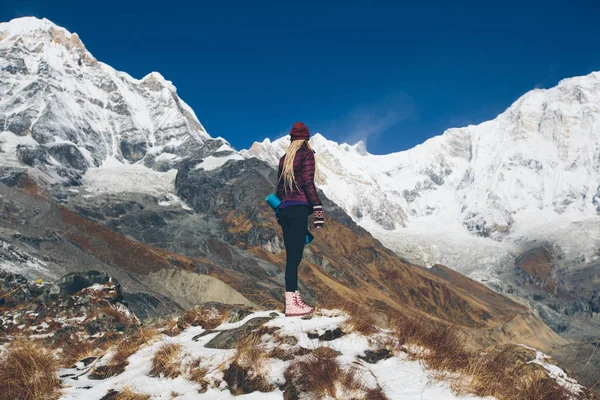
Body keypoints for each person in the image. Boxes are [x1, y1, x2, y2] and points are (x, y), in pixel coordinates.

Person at [276, 122, 325, 317]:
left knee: (291, 257)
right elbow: (307, 182)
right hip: (299, 209)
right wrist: (318, 209)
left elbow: (279, 189)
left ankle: (293, 298)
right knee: (295, 257)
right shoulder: (306, 154)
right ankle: (292, 304)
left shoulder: (284, 158)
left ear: (291, 139)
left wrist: (279, 212)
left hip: (285, 210)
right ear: (306, 138)